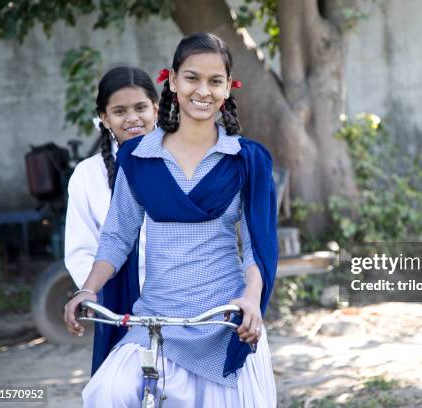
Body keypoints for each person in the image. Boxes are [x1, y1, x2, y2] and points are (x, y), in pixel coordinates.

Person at [64, 33, 278, 407]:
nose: (203, 91)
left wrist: (251, 300)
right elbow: (117, 237)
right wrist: (87, 289)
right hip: (155, 320)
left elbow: (256, 248)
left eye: (215, 81)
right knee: (108, 393)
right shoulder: (138, 157)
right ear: (173, 80)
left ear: (228, 87)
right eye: (192, 78)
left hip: (224, 320)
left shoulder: (247, 159)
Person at [64, 65, 158, 375]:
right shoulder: (87, 176)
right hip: (117, 304)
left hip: (180, 299)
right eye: (119, 110)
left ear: (156, 109)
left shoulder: (181, 161)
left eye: (140, 107)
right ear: (105, 118)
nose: (132, 118)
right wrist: (96, 296)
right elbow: (80, 250)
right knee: (119, 389)